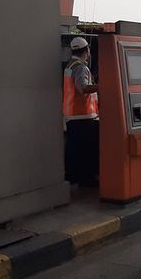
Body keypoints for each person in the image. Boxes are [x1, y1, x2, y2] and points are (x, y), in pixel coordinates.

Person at [63, 37, 99, 185]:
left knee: (74, 150)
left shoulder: (69, 66)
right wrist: (104, 85)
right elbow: (82, 88)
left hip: (72, 115)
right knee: (86, 151)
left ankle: (74, 177)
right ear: (86, 51)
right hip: (82, 115)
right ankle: (87, 180)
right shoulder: (81, 67)